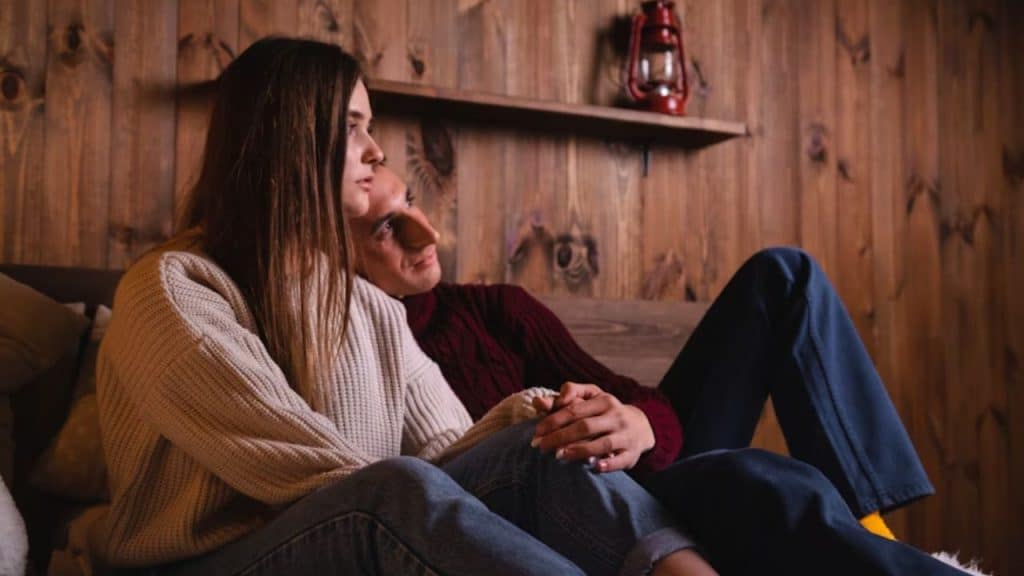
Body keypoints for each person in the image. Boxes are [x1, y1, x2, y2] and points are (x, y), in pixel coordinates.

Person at [91, 37, 716, 576]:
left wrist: (544, 418)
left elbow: (454, 456)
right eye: (352, 127)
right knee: (394, 488)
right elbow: (303, 470)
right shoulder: (174, 287)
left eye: (370, 127)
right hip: (196, 565)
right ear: (286, 140)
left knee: (538, 451)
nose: (376, 150)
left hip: (341, 522)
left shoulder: (371, 307)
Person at [351, 164, 970, 575]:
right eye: (386, 227)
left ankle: (876, 530)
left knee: (784, 276)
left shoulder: (494, 310)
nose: (424, 232)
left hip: (642, 475)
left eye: (413, 202)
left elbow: (645, 402)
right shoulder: (350, 353)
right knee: (761, 478)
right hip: (567, 517)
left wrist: (637, 424)